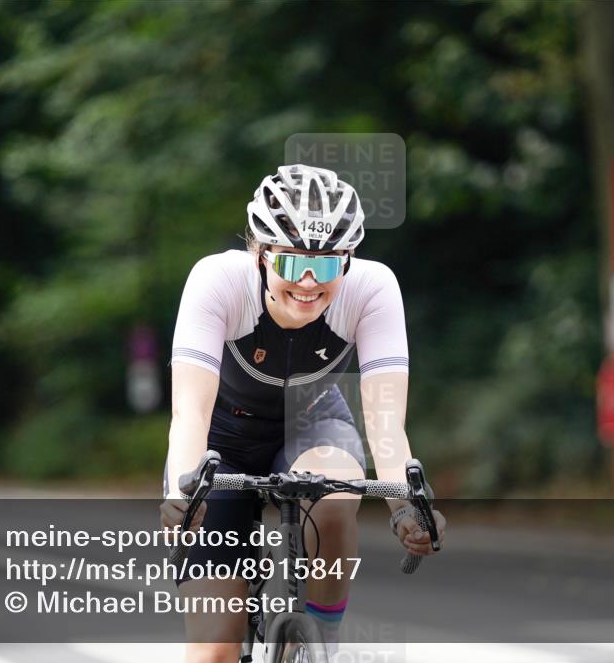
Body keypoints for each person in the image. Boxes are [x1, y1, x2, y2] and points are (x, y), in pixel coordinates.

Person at [159, 164, 445, 663]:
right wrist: (180, 495)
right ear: (261, 254)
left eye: (329, 265)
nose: (309, 283)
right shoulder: (216, 280)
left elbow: (384, 422)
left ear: (349, 259)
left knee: (336, 499)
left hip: (313, 423)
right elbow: (189, 411)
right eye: (292, 264)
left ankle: (322, 651)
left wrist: (404, 508)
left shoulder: (374, 288)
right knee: (213, 651)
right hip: (221, 439)